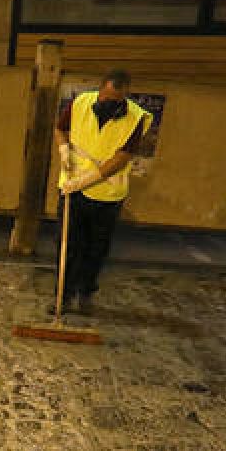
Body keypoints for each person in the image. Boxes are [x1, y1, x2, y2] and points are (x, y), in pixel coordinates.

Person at [54, 69, 151, 315]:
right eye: (107, 98)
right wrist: (64, 150)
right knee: (68, 245)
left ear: (125, 97)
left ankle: (85, 292)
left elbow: (121, 158)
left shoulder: (135, 118)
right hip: (72, 188)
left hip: (108, 193)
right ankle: (63, 295)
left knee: (96, 248)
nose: (110, 105)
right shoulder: (80, 103)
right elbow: (60, 129)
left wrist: (88, 180)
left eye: (117, 101)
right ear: (100, 90)